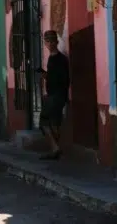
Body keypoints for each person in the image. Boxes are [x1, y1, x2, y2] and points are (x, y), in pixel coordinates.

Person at [38, 30, 70, 160]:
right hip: (60, 95)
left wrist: (45, 75)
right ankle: (55, 150)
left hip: (54, 96)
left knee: (43, 122)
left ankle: (55, 147)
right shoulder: (61, 58)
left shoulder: (56, 59)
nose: (49, 43)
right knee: (55, 122)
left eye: (51, 41)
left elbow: (55, 79)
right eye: (48, 41)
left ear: (55, 42)